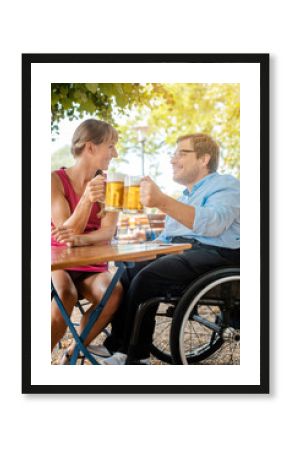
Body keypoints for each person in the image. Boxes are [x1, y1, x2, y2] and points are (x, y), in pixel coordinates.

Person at [95, 133, 240, 365]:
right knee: (127, 269)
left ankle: (135, 357)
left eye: (181, 153)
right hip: (184, 250)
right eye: (173, 154)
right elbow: (167, 238)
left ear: (204, 159)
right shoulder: (185, 196)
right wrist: (136, 249)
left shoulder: (226, 184)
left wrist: (161, 201)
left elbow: (214, 224)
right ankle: (117, 347)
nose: (173, 160)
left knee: (148, 277)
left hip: (218, 254)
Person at [51, 118, 123, 364]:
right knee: (66, 294)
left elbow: (107, 232)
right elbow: (64, 233)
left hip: (91, 261)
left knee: (113, 292)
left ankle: (72, 355)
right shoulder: (53, 180)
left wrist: (80, 240)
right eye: (110, 146)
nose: (115, 153)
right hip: (58, 260)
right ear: (90, 147)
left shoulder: (112, 184)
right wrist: (86, 200)